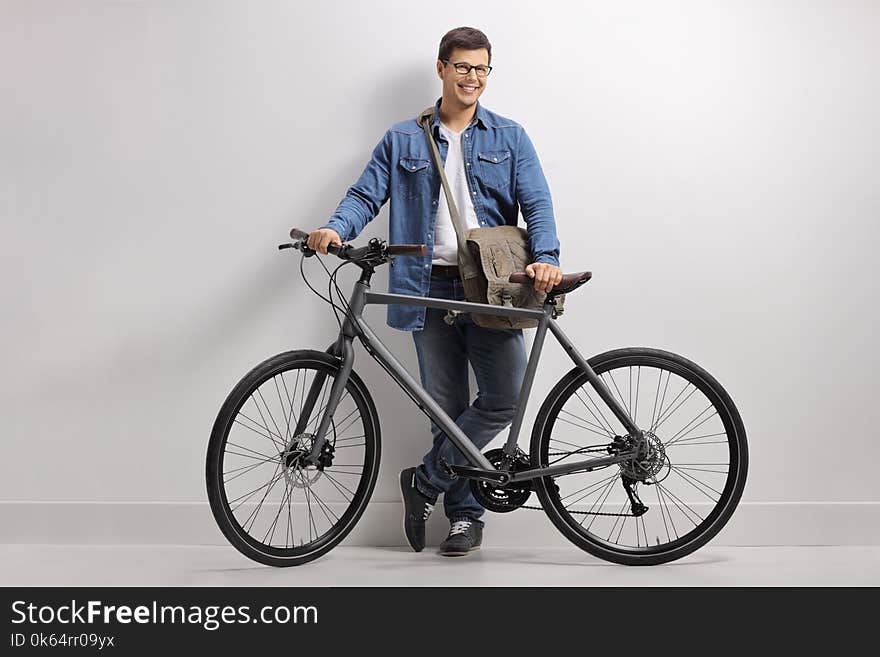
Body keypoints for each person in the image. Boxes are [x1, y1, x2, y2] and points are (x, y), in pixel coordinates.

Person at [308, 27, 562, 557]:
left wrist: (546, 259)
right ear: (442, 68)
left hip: (493, 289)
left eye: (482, 69)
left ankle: (424, 483)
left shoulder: (509, 137)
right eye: (463, 67)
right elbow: (365, 193)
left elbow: (536, 203)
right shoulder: (404, 138)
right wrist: (337, 229)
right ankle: (465, 517)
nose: (473, 78)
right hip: (426, 288)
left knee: (504, 398)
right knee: (446, 409)